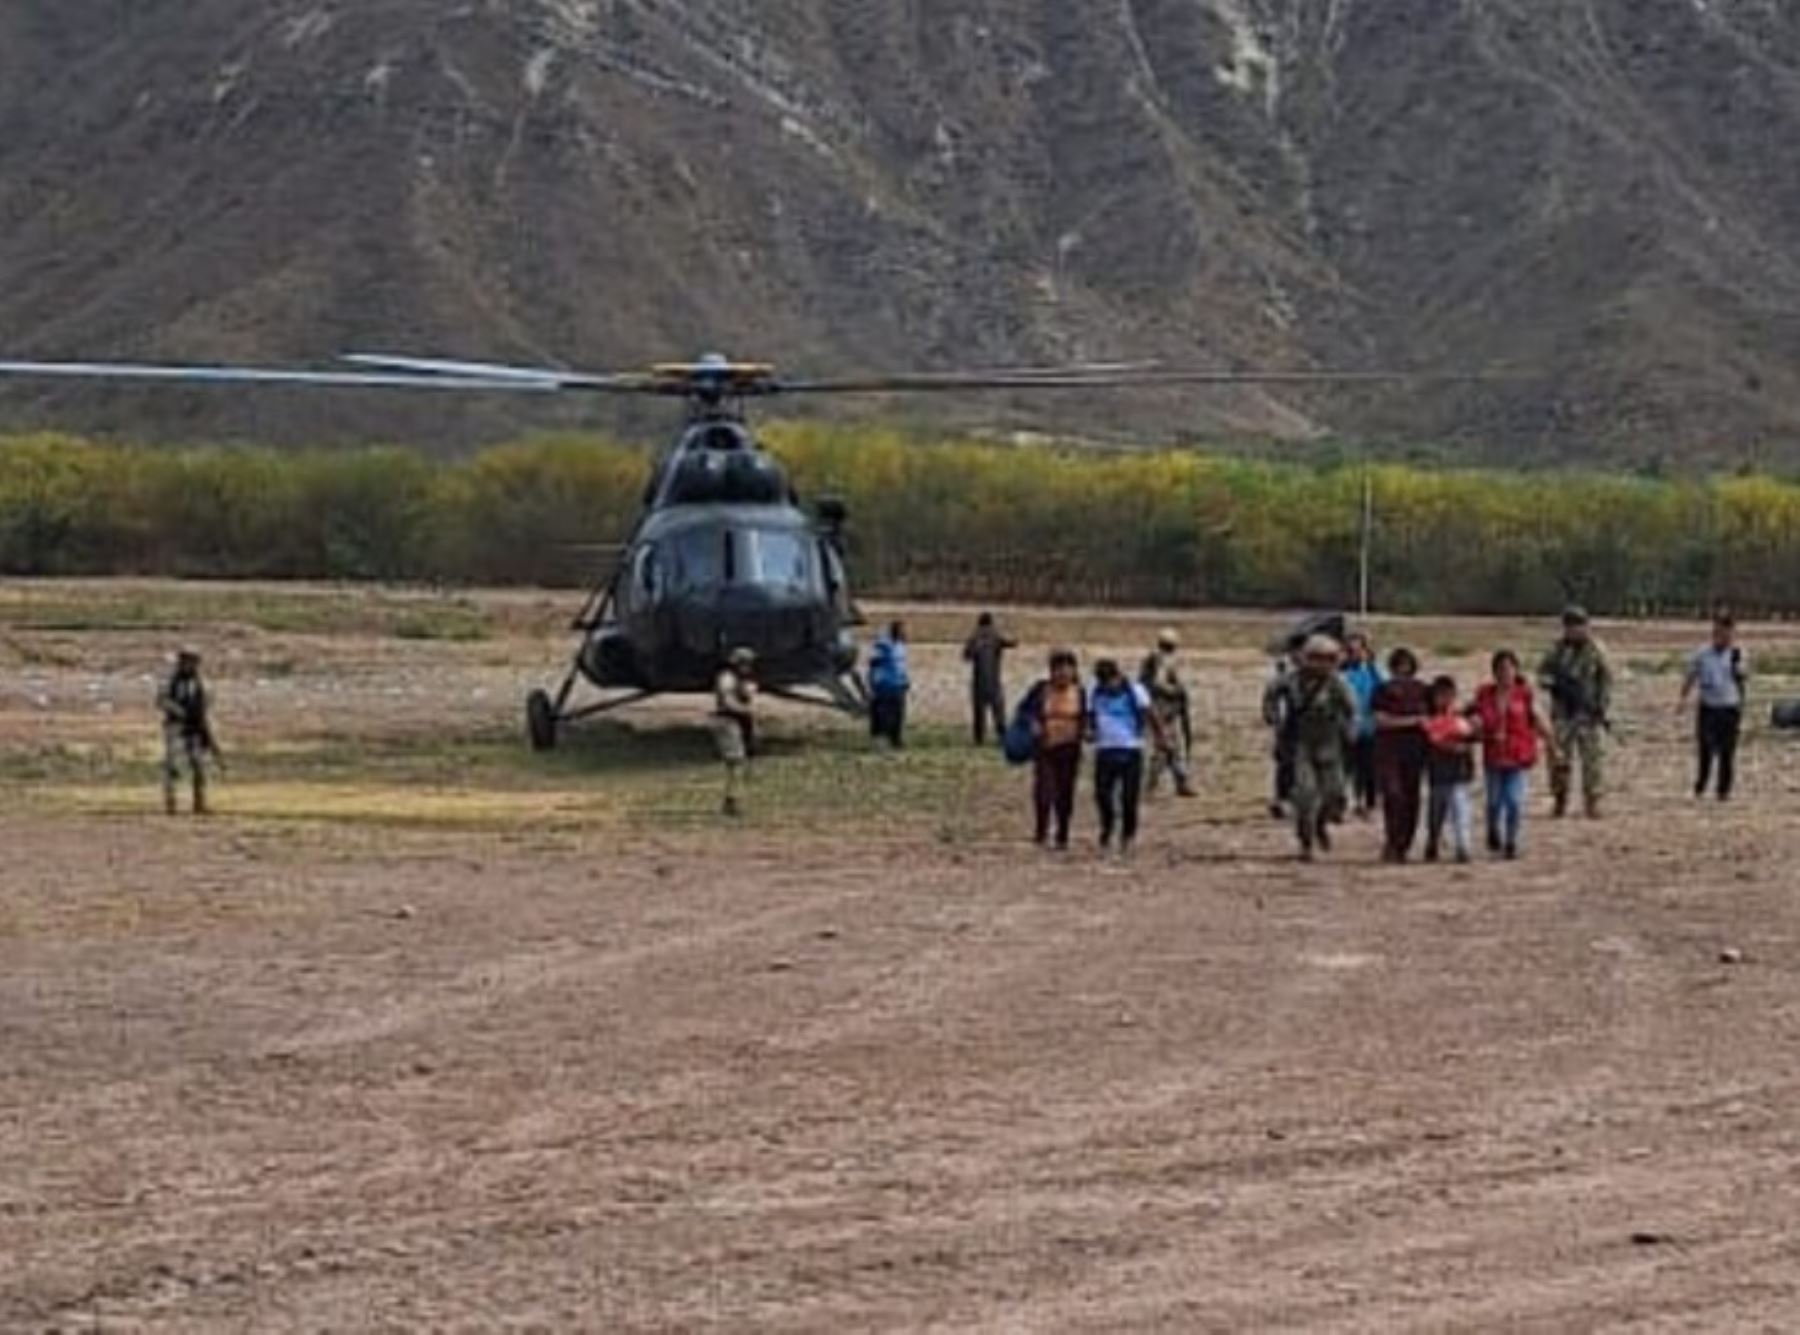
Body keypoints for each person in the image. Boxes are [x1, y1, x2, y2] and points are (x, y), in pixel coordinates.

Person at [1471, 649, 1556, 859]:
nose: (1505, 674)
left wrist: (1553, 744)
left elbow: (1538, 719)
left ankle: (1511, 842)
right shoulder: (1484, 694)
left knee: (1514, 801)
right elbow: (1471, 715)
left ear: (1516, 670)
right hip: (1494, 756)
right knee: (1493, 802)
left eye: (1509, 669)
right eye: (1500, 669)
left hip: (1518, 756)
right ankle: (1493, 831)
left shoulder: (1525, 694)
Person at [1538, 605, 1613, 818]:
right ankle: (1559, 799)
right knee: (1558, 759)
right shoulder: (1556, 650)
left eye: (1580, 625)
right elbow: (1542, 674)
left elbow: (1606, 680)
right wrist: (1556, 686)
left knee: (1593, 761)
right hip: (1563, 714)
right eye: (1571, 626)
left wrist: (1600, 706)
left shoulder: (1596, 650)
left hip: (1588, 715)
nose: (1576, 631)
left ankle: (1592, 801)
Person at [1287, 636, 1358, 862]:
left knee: (1335, 794)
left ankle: (1320, 824)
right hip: (1303, 745)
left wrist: (1351, 731)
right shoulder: (1293, 681)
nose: (1321, 664)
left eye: (1327, 659)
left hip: (1330, 744)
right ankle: (1306, 842)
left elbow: (1351, 708)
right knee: (1305, 796)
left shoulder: (1337, 683)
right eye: (1316, 658)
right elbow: (1272, 697)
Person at [1088, 657, 1164, 859]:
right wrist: (1089, 731)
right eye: (1104, 683)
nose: (1108, 687)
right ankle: (1107, 831)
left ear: (1117, 676)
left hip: (1130, 750)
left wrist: (1161, 739)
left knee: (1129, 798)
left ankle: (1128, 836)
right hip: (1105, 750)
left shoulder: (1135, 691)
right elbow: (1089, 717)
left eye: (1110, 682)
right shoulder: (1094, 691)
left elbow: (1152, 715)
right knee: (1103, 796)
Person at [1017, 648, 1087, 849]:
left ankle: (1062, 833)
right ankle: (1041, 831)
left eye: (1068, 669)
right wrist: (1032, 723)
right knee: (1044, 790)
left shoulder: (1080, 693)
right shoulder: (1041, 689)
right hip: (1045, 748)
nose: (1063, 674)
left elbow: (1088, 717)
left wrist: (1089, 730)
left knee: (1066, 792)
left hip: (1070, 749)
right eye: (1059, 670)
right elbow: (1023, 710)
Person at [1681, 611, 1748, 801]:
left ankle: (1723, 791)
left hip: (1729, 708)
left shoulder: (1738, 654)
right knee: (1705, 748)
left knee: (1727, 752)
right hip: (1708, 707)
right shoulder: (1702, 653)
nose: (1722, 638)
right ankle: (1700, 786)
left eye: (1727, 634)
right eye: (1718, 633)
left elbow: (1743, 680)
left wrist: (1739, 670)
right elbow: (1691, 675)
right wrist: (1683, 698)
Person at [1372, 646, 1431, 863]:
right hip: (1389, 751)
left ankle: (1404, 844)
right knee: (1393, 795)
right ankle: (1393, 840)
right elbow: (1380, 720)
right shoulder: (1382, 690)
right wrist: (1412, 721)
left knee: (1412, 799)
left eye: (1406, 666)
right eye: (1399, 666)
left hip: (1415, 751)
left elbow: (1436, 716)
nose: (1403, 671)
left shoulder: (1424, 690)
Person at [156, 648, 216, 816]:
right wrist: (179, 711)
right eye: (189, 661)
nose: (192, 665)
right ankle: (171, 803)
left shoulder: (199, 682)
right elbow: (162, 700)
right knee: (173, 766)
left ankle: (199, 803)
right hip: (176, 727)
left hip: (195, 728)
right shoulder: (171, 681)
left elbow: (205, 702)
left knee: (199, 766)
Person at [1422, 676, 1476, 864]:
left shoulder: (1461, 718)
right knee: (1436, 813)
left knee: (1461, 810)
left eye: (1449, 696)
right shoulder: (1430, 719)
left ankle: (1463, 846)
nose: (1445, 700)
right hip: (1438, 775)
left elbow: (1473, 735)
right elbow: (1434, 738)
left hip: (1459, 774)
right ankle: (1433, 841)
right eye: (1440, 696)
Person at [1140, 628, 1198, 797]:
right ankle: (1151, 786)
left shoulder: (1152, 659)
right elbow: (1158, 684)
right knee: (1164, 747)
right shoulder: (1161, 660)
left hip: (1160, 707)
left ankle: (1181, 782)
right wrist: (1176, 691)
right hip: (1161, 708)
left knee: (1173, 747)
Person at [1340, 632, 1384, 817]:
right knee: (1348, 766)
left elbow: (1384, 689)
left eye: (1359, 649)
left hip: (1370, 727)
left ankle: (1369, 801)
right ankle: (1352, 800)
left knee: (1370, 767)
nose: (1356, 654)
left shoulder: (1373, 673)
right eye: (1351, 650)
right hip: (1348, 727)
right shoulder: (1341, 674)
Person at [713, 647, 758, 817]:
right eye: (746, 662)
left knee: (739, 763)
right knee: (736, 762)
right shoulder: (728, 678)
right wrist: (746, 709)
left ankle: (733, 799)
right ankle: (731, 802)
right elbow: (727, 702)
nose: (749, 666)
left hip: (736, 722)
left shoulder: (741, 680)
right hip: (727, 721)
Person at [962, 612, 1017, 746]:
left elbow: (966, 656)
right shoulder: (996, 636)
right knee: (998, 712)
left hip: (979, 682)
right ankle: (1003, 737)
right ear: (991, 623)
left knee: (979, 713)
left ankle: (979, 739)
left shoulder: (974, 638)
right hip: (994, 681)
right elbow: (1011, 643)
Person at [1262, 647, 1302, 819]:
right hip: (1289, 728)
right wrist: (1274, 719)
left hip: (1311, 728)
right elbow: (1270, 698)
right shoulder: (1285, 678)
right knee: (1286, 764)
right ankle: (1283, 799)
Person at [867, 620, 911, 748]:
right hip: (884, 685)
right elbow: (874, 663)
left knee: (898, 715)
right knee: (883, 714)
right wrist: (875, 681)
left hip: (898, 684)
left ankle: (895, 739)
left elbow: (901, 665)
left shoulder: (900, 646)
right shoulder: (882, 646)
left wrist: (905, 680)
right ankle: (881, 740)